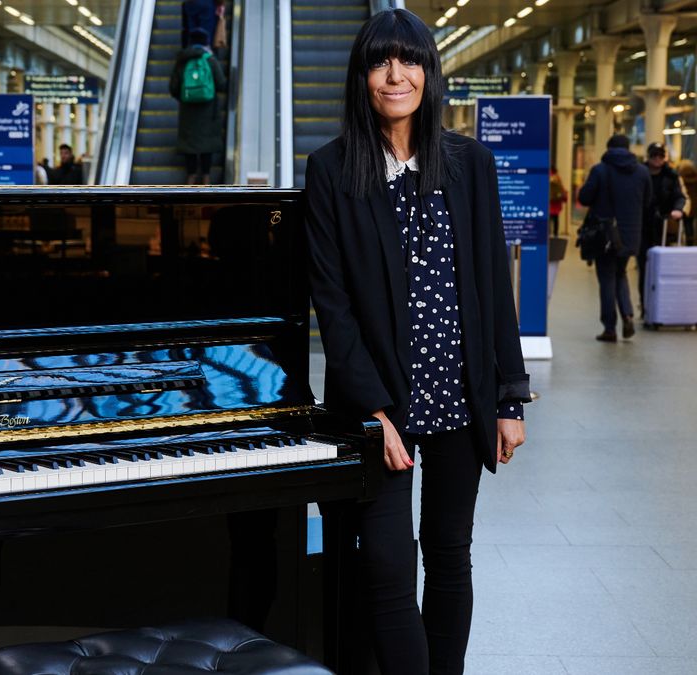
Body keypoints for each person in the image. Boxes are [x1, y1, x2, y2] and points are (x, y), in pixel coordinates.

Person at [304, 10, 529, 673]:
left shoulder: (469, 163)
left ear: (430, 73)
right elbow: (333, 306)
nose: (395, 75)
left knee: (449, 552)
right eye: (380, 62)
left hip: (461, 394)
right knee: (388, 565)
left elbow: (493, 285)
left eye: (410, 61)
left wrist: (510, 395)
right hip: (379, 406)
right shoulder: (332, 171)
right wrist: (374, 412)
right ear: (361, 76)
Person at [578, 134, 652, 341]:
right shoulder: (642, 172)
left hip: (606, 235)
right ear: (628, 148)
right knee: (620, 273)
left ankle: (609, 328)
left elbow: (584, 198)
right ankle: (627, 314)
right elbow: (647, 202)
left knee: (607, 279)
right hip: (630, 235)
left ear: (608, 148)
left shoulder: (600, 170)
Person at [168, 27, 227, 185]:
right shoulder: (210, 60)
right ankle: (206, 177)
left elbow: (173, 88)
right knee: (206, 142)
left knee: (190, 143)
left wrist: (184, 97)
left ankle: (191, 176)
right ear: (206, 42)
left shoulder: (182, 60)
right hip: (209, 110)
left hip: (188, 111)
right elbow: (221, 84)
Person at [640, 142, 685, 305]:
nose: (658, 159)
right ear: (649, 156)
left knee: (663, 266)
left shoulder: (671, 175)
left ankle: (661, 303)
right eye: (654, 155)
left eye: (661, 155)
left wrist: (677, 209)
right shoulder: (640, 173)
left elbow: (679, 196)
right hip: (643, 226)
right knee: (644, 266)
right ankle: (645, 305)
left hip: (663, 227)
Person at [677, 159, 697, 244]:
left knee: (685, 223)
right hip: (695, 205)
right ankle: (691, 240)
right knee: (691, 224)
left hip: (685, 205)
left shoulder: (680, 179)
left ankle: (683, 240)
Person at [548, 166, 567, 236]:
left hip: (550, 202)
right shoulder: (558, 178)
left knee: (549, 218)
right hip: (557, 202)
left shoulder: (548, 177)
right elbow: (562, 189)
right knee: (556, 218)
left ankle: (548, 232)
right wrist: (564, 197)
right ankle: (555, 233)